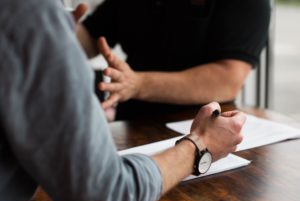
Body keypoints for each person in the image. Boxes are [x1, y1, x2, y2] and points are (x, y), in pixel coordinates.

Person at [0, 0, 246, 201]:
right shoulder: (29, 13)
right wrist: (200, 146)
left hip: (194, 165)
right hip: (144, 152)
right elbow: (105, 195)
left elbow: (228, 78)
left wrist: (56, 37)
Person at [76, 0, 271, 120]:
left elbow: (227, 79)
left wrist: (137, 84)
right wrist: (55, 30)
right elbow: (91, 37)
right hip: (133, 125)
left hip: (204, 131)